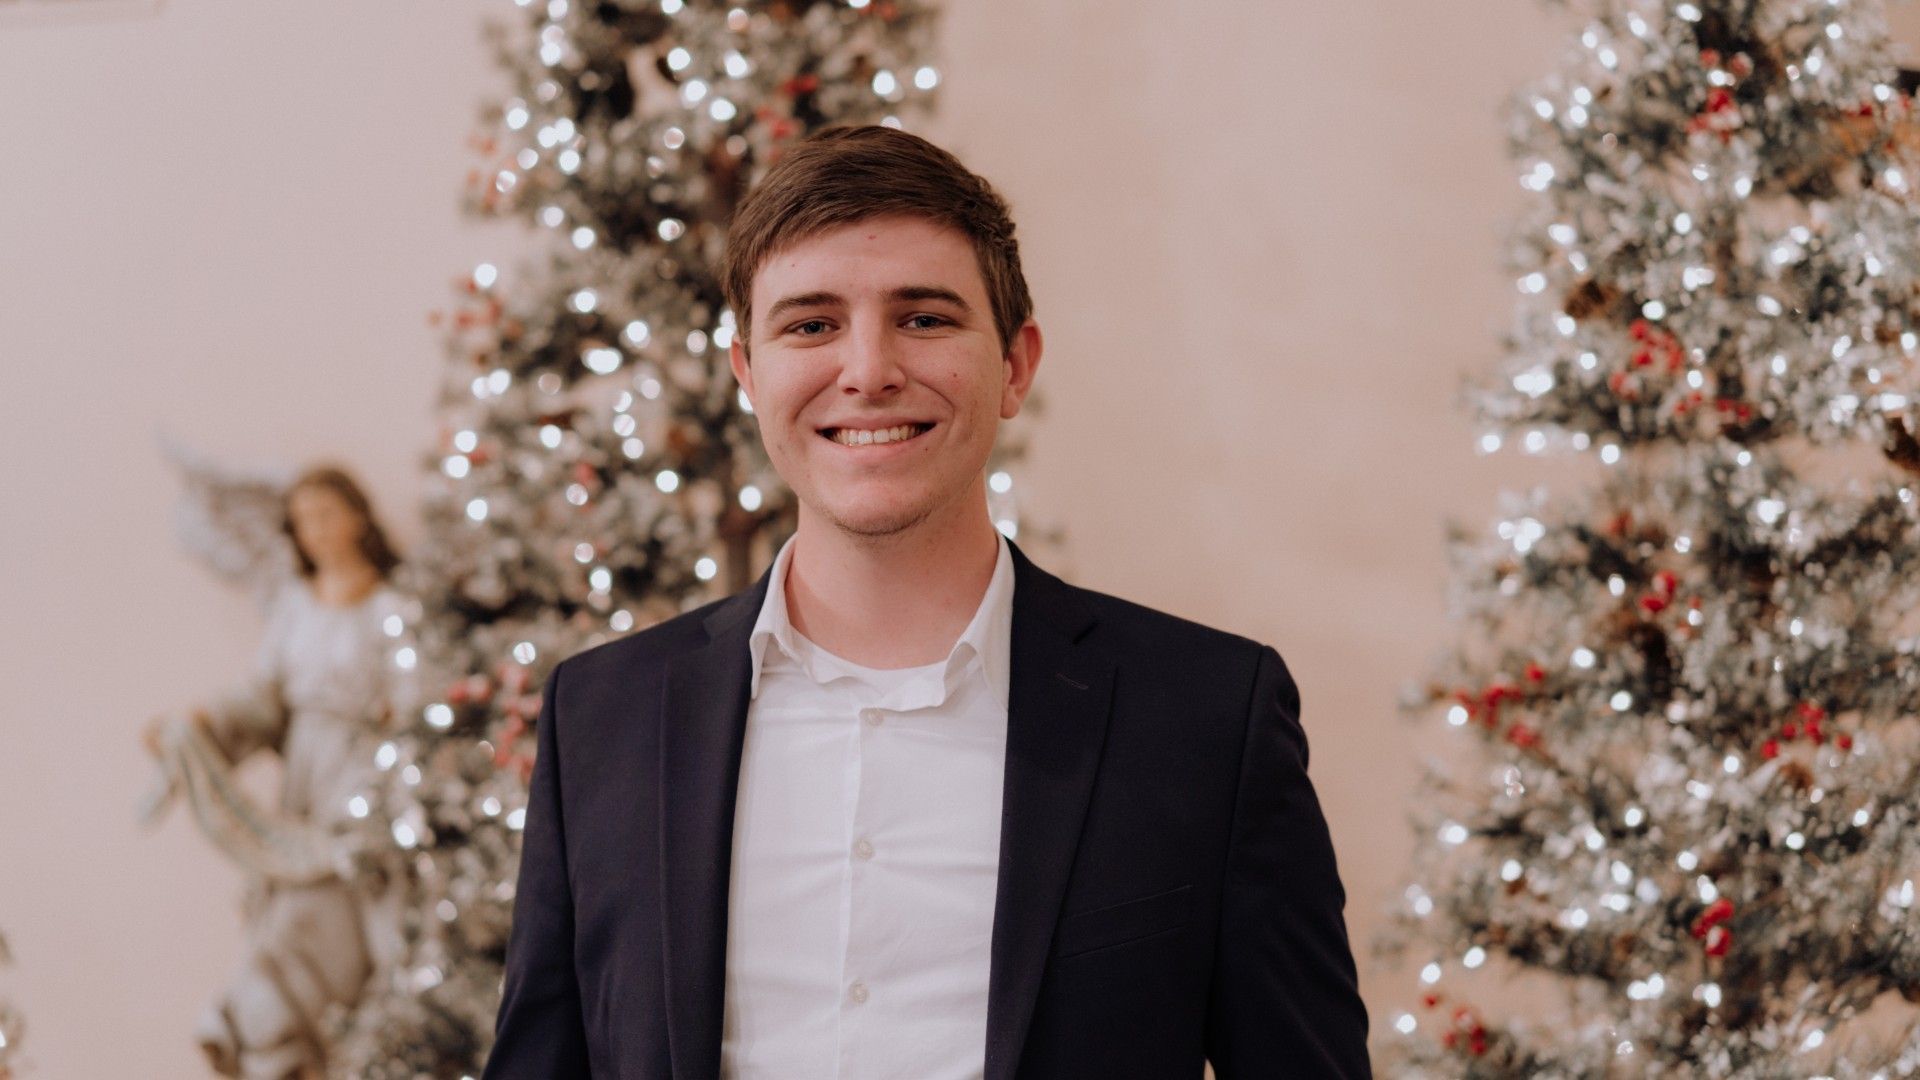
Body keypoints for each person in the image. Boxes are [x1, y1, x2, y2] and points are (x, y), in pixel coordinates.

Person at [483, 125, 1370, 1078]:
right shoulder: (605, 715)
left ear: (1016, 366)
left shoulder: (1205, 716)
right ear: (748, 374)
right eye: (811, 325)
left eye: (925, 318)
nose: (867, 371)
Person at [143, 465, 407, 1080]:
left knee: (324, 927)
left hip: (362, 785)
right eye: (303, 520)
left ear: (358, 518)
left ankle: (312, 1047)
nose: (315, 531)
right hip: (302, 793)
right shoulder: (295, 607)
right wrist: (198, 725)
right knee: (283, 917)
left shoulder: (391, 607)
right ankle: (280, 1051)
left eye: (326, 515)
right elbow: (263, 698)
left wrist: (379, 791)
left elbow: (411, 703)